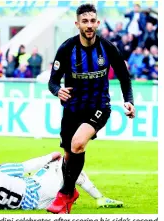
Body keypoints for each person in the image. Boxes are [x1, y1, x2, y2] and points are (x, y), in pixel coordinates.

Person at [47, 3, 135, 214]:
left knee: (78, 144)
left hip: (99, 106)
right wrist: (58, 90)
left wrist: (129, 100)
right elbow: (52, 82)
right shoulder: (67, 48)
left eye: (92, 21)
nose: (89, 25)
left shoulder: (108, 48)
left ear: (98, 23)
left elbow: (124, 76)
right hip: (72, 108)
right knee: (69, 155)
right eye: (84, 21)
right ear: (77, 24)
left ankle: (64, 196)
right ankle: (71, 192)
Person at [0, 152, 123, 211]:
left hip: (34, 206)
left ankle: (66, 196)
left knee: (51, 171)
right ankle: (99, 198)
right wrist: (48, 157)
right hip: (42, 191)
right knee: (65, 161)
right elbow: (26, 166)